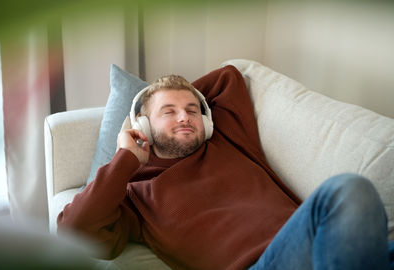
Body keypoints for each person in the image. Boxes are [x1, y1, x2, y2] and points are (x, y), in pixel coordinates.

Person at [58, 66, 394, 270]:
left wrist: (185, 102)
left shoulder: (229, 138)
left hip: (325, 246)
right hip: (262, 265)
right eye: (169, 111)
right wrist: (126, 154)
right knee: (349, 190)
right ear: (143, 124)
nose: (184, 116)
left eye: (192, 109)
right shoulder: (135, 194)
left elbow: (228, 75)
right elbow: (73, 231)